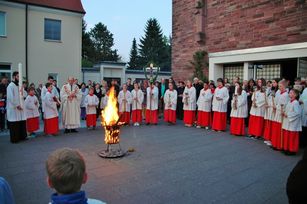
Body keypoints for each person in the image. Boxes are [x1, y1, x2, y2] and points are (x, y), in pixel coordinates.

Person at [6, 71, 27, 143]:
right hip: (14, 108)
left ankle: (22, 137)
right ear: (14, 77)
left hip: (20, 108)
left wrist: (22, 89)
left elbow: (24, 95)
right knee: (14, 124)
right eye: (18, 76)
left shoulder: (19, 85)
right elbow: (10, 97)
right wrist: (17, 105)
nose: (19, 78)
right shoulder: (10, 86)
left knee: (20, 122)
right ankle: (14, 139)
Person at [282, 89, 302, 155]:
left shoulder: (296, 102)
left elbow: (297, 113)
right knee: (287, 135)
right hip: (288, 121)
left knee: (292, 137)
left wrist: (288, 115)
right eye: (289, 92)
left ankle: (292, 150)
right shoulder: (289, 102)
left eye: (291, 93)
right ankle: (287, 148)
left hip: (293, 123)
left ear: (295, 95)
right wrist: (284, 113)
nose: (289, 94)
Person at [271, 80, 289, 150]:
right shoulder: (279, 93)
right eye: (279, 86)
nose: (279, 87)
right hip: (277, 112)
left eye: (281, 86)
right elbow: (276, 102)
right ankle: (275, 143)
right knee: (276, 129)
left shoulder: (286, 95)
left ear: (284, 86)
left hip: (281, 114)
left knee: (279, 130)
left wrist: (283, 111)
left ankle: (279, 145)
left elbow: (286, 105)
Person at [263, 78, 279, 146]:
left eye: (274, 82)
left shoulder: (277, 91)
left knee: (273, 124)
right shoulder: (271, 90)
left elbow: (276, 101)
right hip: (269, 108)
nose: (273, 84)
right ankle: (268, 138)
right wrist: (266, 104)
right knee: (269, 123)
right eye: (272, 82)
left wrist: (271, 105)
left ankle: (272, 139)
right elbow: (268, 98)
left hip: (273, 108)